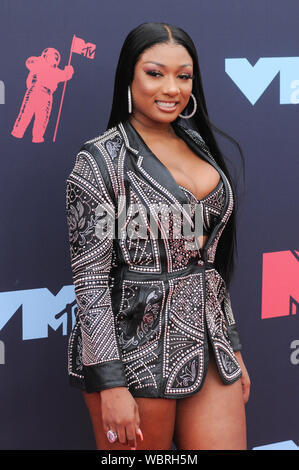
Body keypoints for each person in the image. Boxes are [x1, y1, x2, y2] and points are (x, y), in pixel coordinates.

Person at [65, 22, 250, 451]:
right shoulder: (99, 161)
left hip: (208, 345)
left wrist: (231, 343)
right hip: (133, 354)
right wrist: (109, 382)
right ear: (129, 77)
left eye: (184, 76)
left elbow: (208, 263)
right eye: (155, 73)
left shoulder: (199, 145)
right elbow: (90, 281)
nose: (172, 88)